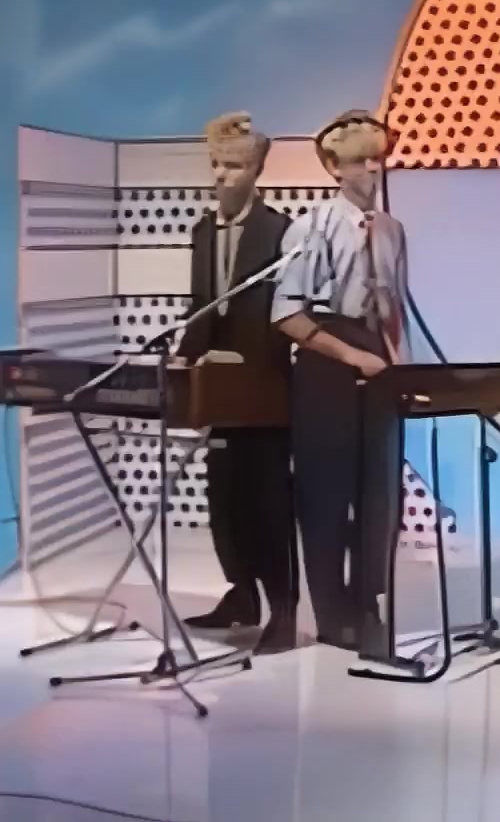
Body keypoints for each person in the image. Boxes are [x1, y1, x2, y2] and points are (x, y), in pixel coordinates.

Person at [271, 109, 409, 655]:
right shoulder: (311, 228)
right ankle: (331, 612)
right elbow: (288, 315)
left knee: (380, 493)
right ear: (333, 167)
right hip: (328, 362)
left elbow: (397, 309)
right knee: (326, 494)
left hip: (379, 363)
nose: (372, 169)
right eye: (360, 161)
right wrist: (350, 356)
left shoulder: (393, 231)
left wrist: (399, 367)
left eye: (378, 159)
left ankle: (368, 602)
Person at [176, 112, 298, 655]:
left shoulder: (280, 231)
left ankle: (284, 609)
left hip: (265, 389)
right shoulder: (202, 232)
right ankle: (241, 595)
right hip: (219, 392)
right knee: (222, 498)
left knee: (268, 503)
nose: (222, 176)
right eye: (216, 165)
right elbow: (201, 307)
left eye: (233, 166)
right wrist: (184, 360)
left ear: (257, 171)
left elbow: (289, 309)